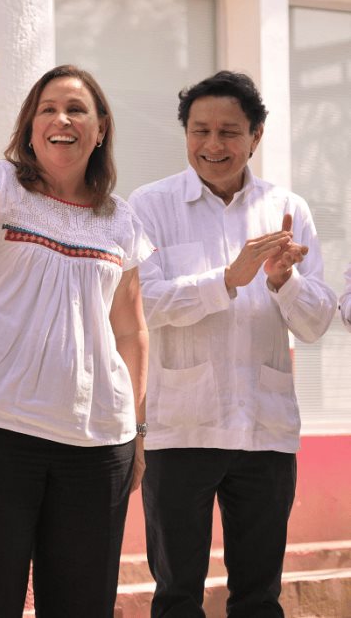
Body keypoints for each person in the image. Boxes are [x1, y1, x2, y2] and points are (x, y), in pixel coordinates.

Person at [0, 16, 152, 617]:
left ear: (100, 130)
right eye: (47, 109)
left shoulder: (121, 220)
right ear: (30, 127)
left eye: (77, 110)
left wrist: (138, 432)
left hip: (96, 443)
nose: (62, 120)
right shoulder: (3, 184)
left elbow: (129, 329)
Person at [129, 70, 337, 617]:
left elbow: (316, 324)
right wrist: (227, 278)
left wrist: (281, 281)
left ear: (256, 136)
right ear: (185, 134)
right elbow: (141, 305)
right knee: (176, 596)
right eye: (200, 131)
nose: (213, 145)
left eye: (229, 132)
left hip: (265, 432)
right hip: (181, 428)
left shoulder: (288, 211)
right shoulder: (149, 206)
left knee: (259, 596)